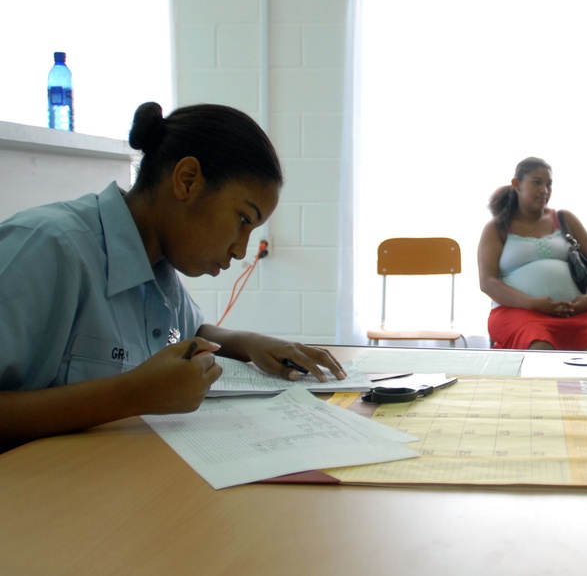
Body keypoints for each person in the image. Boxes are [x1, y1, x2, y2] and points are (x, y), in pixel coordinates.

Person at [0, 102, 346, 452]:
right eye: (243, 220)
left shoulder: (156, 261)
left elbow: (191, 332)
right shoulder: (46, 247)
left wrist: (248, 343)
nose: (241, 250)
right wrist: (132, 395)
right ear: (187, 181)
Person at [478, 156, 587, 352]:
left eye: (549, 184)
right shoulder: (497, 228)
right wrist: (532, 303)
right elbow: (488, 282)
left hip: (573, 314)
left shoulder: (564, 219)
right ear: (516, 184)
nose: (544, 190)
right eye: (537, 183)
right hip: (516, 312)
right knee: (540, 349)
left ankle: (576, 384)